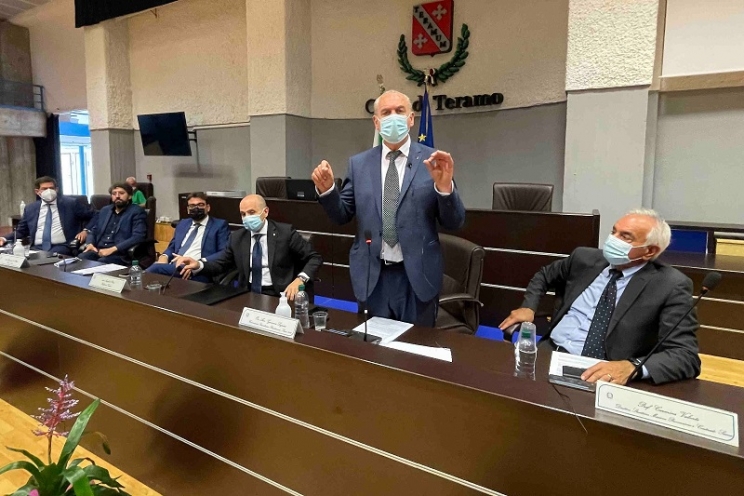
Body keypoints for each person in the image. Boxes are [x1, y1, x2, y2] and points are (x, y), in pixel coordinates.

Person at [311, 89, 465, 326]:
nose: (393, 117)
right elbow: (342, 215)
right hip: (373, 278)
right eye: (386, 112)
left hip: (417, 278)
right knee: (373, 345)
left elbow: (454, 222)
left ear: (411, 119)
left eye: (399, 111)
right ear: (376, 122)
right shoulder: (359, 164)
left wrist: (445, 188)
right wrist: (328, 190)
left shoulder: (434, 161)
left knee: (415, 346)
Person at [499, 208, 700, 385]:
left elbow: (685, 356)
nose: (613, 240)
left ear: (650, 251)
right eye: (614, 232)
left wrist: (633, 367)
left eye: (625, 237)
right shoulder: (584, 258)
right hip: (549, 353)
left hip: (604, 370)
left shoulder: (670, 285)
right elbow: (544, 275)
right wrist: (528, 306)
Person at [179, 194, 321, 300]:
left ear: (265, 212)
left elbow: (314, 258)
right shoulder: (237, 237)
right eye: (243, 214)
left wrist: (300, 279)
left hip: (280, 293)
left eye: (251, 212)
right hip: (248, 293)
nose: (246, 218)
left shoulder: (285, 233)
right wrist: (199, 264)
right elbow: (222, 262)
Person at [0, 176, 96, 255]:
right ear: (37, 192)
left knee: (46, 258)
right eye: (45, 189)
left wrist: (86, 230)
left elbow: (95, 215)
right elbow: (21, 231)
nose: (49, 191)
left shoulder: (70, 204)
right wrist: (4, 238)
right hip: (36, 247)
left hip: (62, 246)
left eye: (52, 188)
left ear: (56, 189)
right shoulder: (30, 208)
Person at [146, 192, 229, 283]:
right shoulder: (183, 223)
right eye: (192, 206)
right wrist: (164, 256)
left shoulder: (219, 225)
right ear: (188, 209)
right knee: (154, 280)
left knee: (155, 269)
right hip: (175, 266)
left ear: (208, 207)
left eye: (200, 205)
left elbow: (224, 252)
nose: (196, 208)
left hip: (199, 271)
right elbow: (172, 246)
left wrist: (198, 263)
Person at [80, 182, 148, 265]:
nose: (117, 196)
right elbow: (94, 230)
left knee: (102, 263)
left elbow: (138, 237)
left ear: (130, 196)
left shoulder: (136, 211)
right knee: (81, 258)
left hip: (120, 254)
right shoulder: (105, 210)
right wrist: (90, 243)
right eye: (114, 194)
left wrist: (112, 249)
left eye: (121, 193)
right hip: (99, 250)